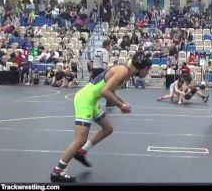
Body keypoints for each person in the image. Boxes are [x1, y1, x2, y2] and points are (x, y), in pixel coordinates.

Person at [50, 51, 152, 183]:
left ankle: (81, 152)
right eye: (148, 70)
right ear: (142, 67)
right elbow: (105, 92)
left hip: (92, 100)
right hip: (85, 100)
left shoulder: (126, 73)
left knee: (107, 129)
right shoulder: (122, 71)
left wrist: (122, 102)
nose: (147, 73)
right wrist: (121, 106)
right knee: (80, 139)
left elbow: (111, 90)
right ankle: (57, 172)